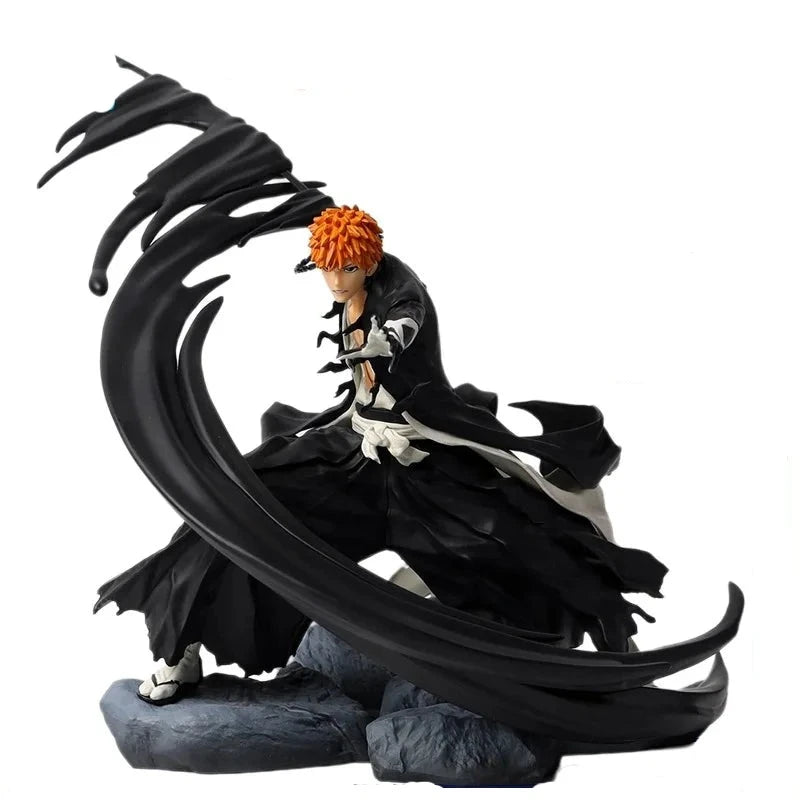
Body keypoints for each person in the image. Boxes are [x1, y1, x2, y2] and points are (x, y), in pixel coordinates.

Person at [95, 205, 667, 705]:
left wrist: (384, 339)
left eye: (347, 268)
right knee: (234, 515)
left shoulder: (402, 293)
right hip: (355, 457)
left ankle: (599, 657)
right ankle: (180, 649)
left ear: (369, 262)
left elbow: (404, 320)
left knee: (520, 541)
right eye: (326, 267)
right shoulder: (342, 279)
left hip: (423, 467)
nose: (335, 280)